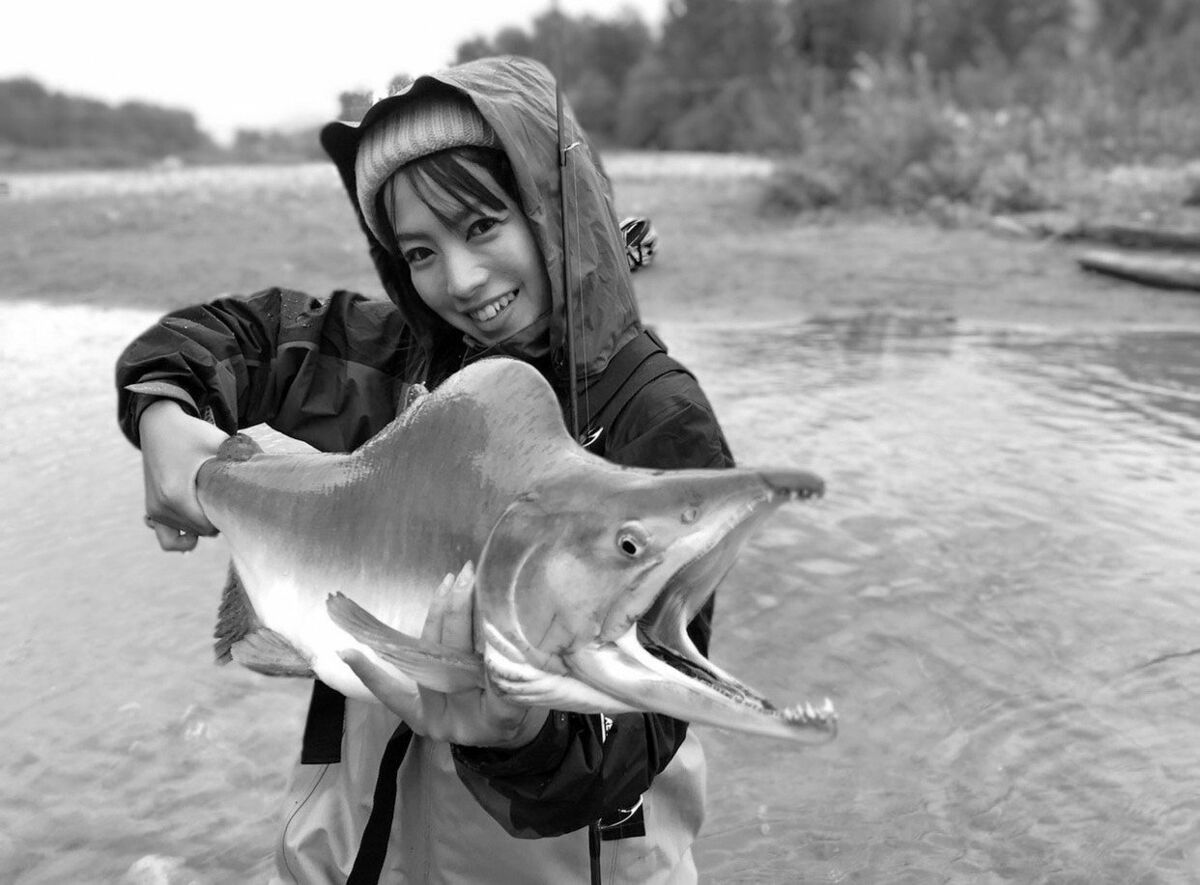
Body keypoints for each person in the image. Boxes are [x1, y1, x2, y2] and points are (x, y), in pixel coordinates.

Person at [116, 55, 734, 884]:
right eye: (419, 252)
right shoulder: (398, 361)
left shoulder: (658, 420)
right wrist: (162, 416)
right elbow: (237, 335)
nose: (462, 280)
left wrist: (518, 732)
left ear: (554, 207)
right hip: (364, 853)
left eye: (481, 226)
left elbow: (644, 728)